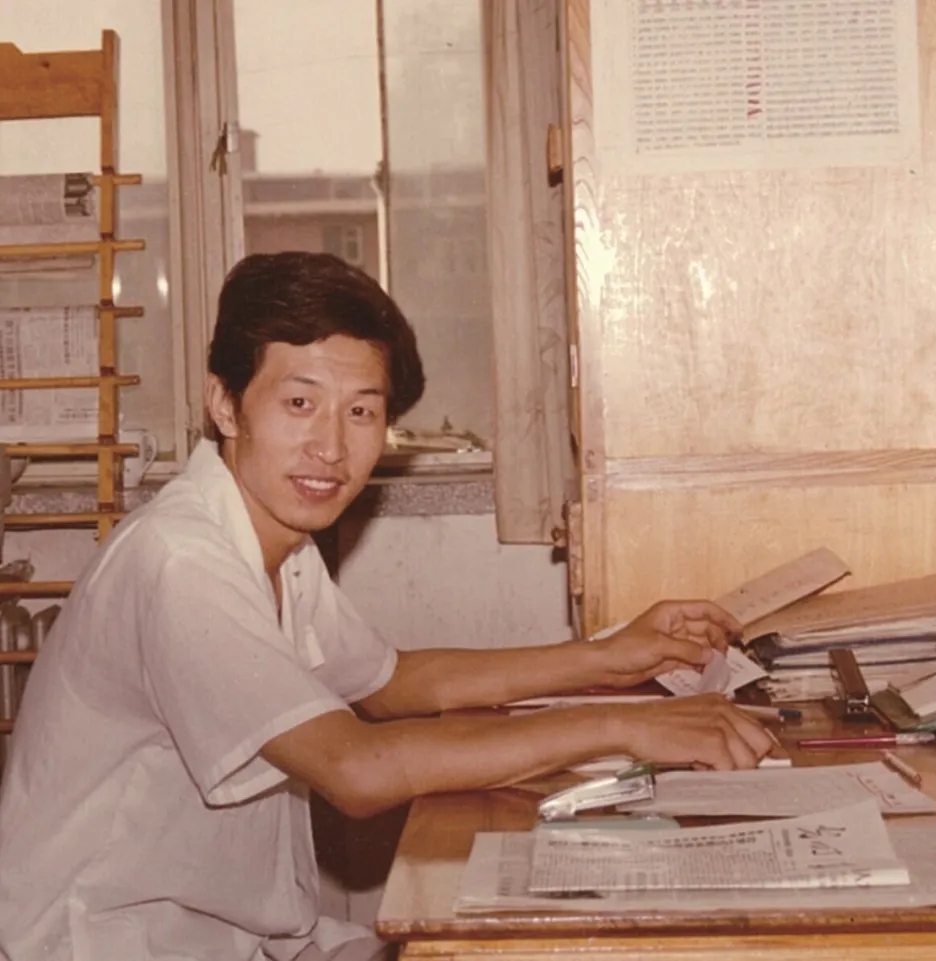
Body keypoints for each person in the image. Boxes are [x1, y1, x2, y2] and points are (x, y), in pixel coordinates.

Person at [0, 252, 771, 961]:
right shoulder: (178, 560)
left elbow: (392, 681)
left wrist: (609, 656)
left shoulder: (274, 543)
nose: (331, 447)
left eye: (361, 412)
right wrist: (624, 724)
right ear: (226, 405)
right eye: (300, 402)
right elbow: (356, 769)